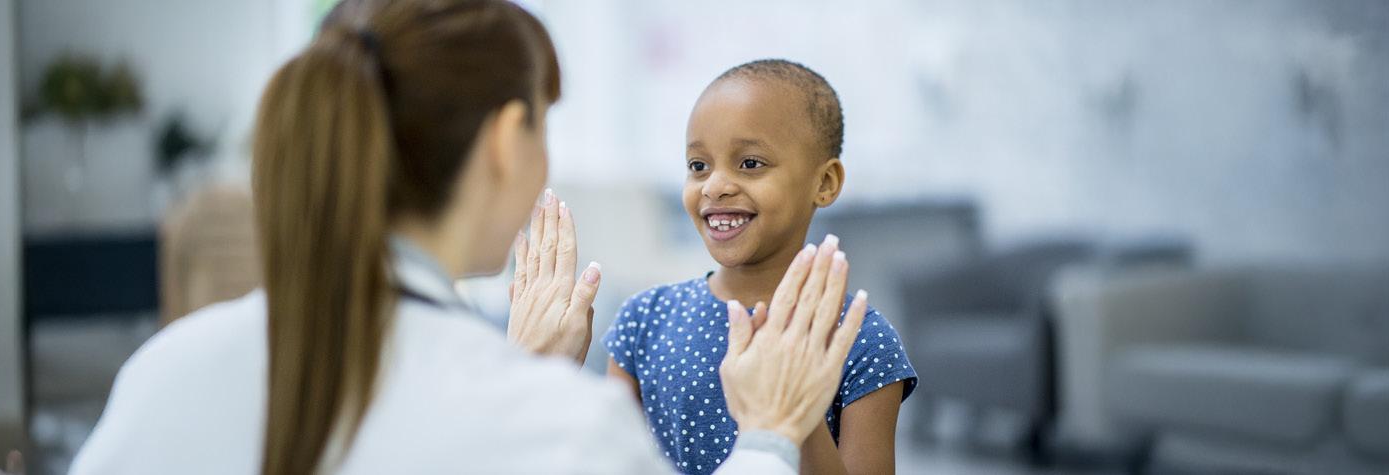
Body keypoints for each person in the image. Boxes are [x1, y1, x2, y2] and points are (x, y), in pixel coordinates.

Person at [67, 1, 868, 474]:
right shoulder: (566, 429)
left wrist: (521, 371)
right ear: (505, 140)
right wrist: (767, 435)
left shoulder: (163, 373)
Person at [602, 60, 918, 475]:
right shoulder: (643, 320)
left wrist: (794, 412)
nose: (714, 186)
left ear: (824, 183)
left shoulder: (862, 341)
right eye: (698, 166)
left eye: (750, 163)